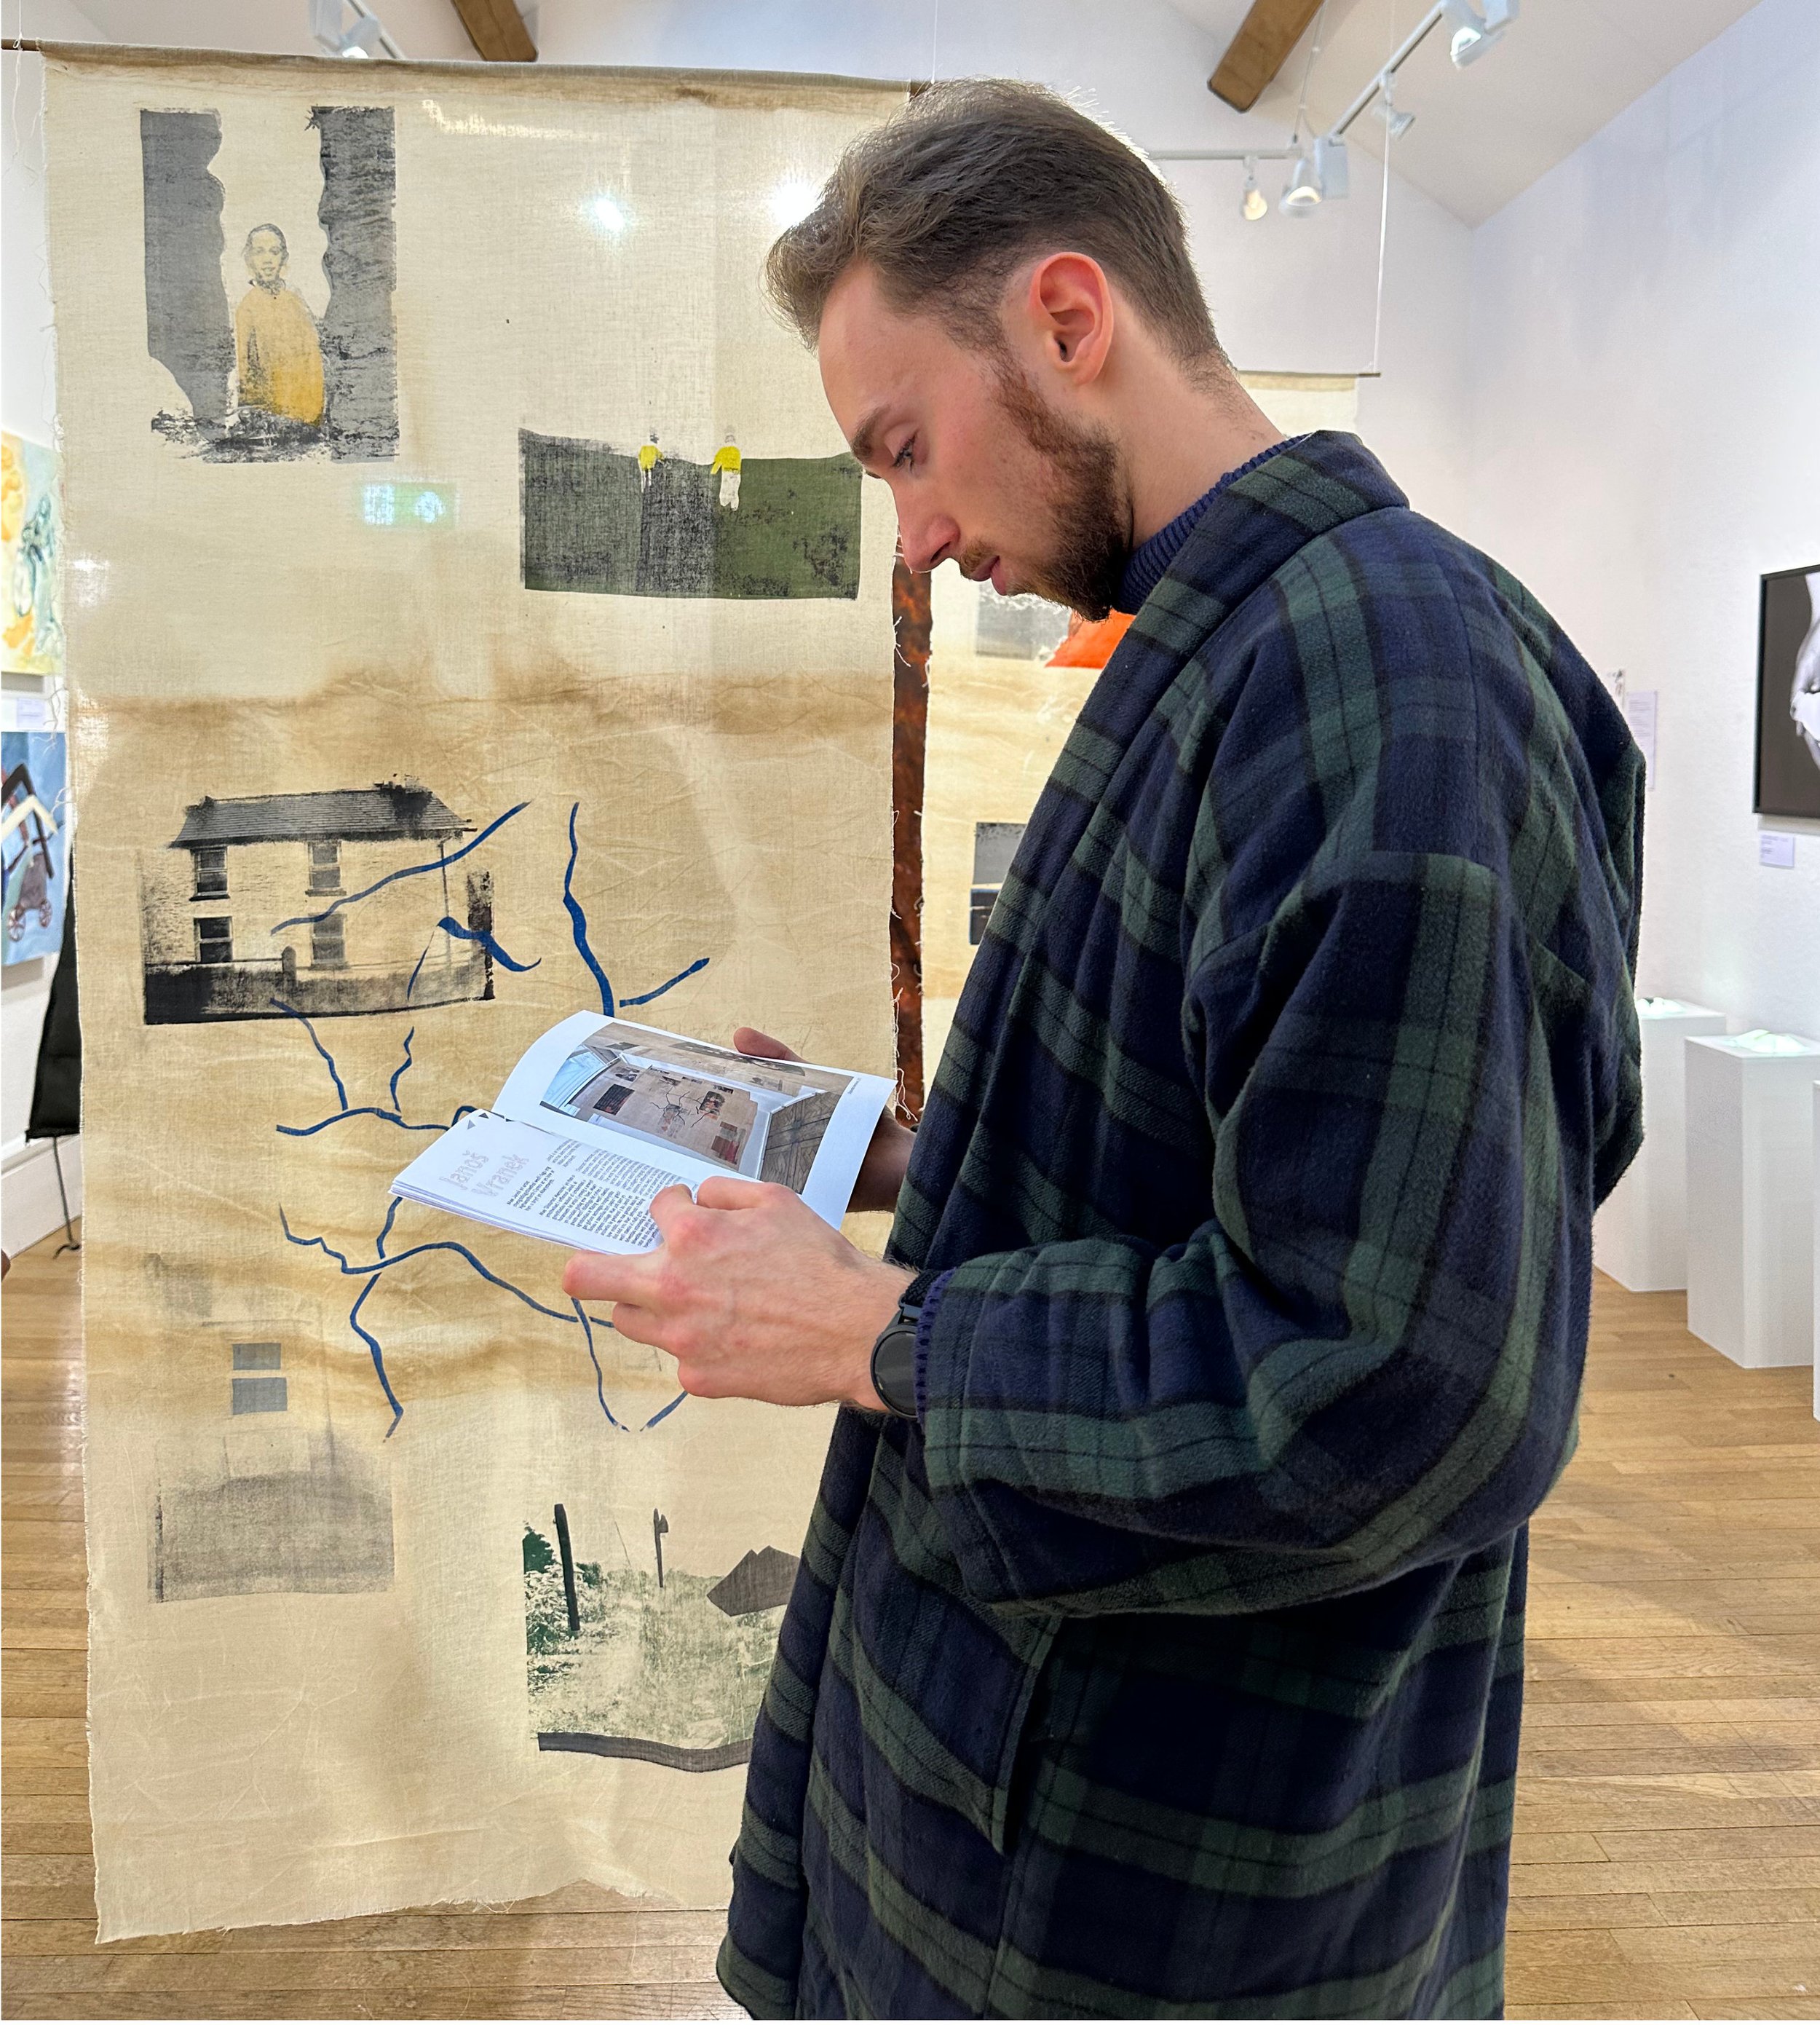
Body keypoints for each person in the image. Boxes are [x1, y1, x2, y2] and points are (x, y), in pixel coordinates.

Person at [564, 80, 1643, 2020]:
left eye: (903, 449)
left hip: (1148, 1862)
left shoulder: (1383, 675)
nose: (910, 536)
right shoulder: (1232, 644)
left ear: (1067, 320)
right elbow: (1214, 1128)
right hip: (1036, 1775)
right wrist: (900, 1151)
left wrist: (866, 1328)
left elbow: (1407, 1381)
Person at [234, 226, 324, 427]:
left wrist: (313, 413)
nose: (268, 260)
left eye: (274, 252)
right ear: (249, 259)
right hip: (273, 418)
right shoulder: (247, 308)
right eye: (259, 252)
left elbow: (313, 359)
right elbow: (245, 368)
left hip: (308, 413)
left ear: (284, 257)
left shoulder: (295, 300)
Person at [712, 429, 743, 509]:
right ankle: (734, 505)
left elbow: (718, 462)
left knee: (726, 489)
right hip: (736, 473)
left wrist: (713, 472)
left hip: (728, 472)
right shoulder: (737, 450)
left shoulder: (723, 450)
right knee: (734, 490)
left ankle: (725, 503)